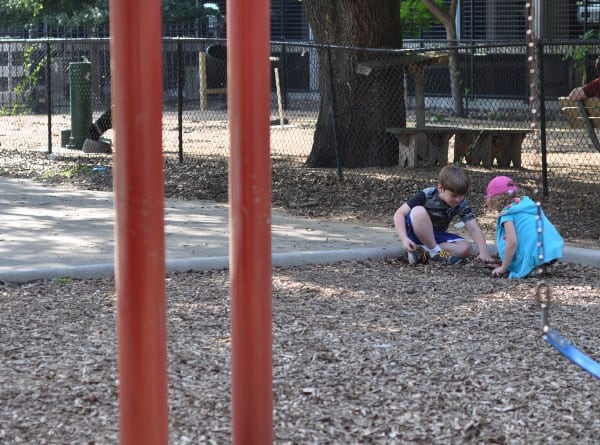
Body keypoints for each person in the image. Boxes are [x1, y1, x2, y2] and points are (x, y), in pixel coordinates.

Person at [393, 165, 494, 265]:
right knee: (418, 211)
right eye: (453, 195)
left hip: (435, 235)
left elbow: (473, 228)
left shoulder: (461, 202)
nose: (458, 199)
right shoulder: (428, 195)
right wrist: (404, 238)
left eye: (462, 195)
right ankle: (436, 252)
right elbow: (399, 214)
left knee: (466, 248)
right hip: (415, 233)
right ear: (440, 188)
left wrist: (483, 251)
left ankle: (424, 252)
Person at [485, 175, 564, 278]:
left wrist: (503, 267)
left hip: (536, 253)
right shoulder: (527, 204)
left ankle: (532, 268)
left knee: (521, 259)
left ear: (494, 199)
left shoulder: (507, 214)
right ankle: (543, 266)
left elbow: (512, 241)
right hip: (552, 250)